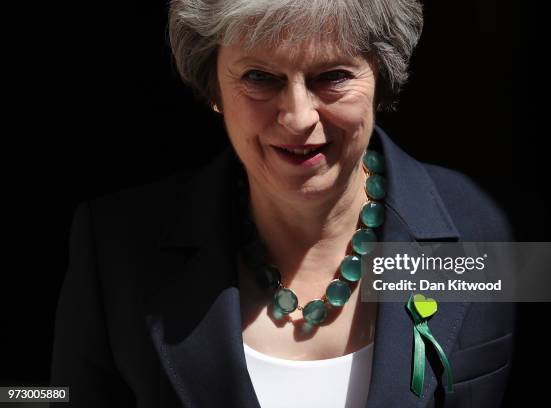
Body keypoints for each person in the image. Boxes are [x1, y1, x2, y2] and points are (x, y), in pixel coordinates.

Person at [50, 0, 515, 407]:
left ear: (382, 76)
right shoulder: (115, 249)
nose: (298, 117)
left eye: (332, 76)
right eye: (260, 77)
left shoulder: (489, 226)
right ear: (213, 86)